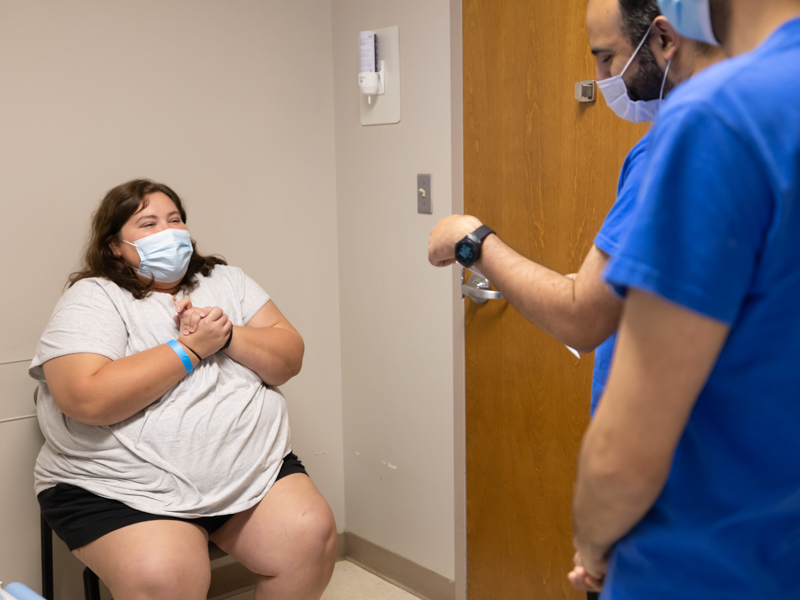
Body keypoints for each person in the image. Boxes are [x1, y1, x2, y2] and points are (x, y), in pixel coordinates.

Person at [569, 0, 800, 597]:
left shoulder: (723, 118)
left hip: (706, 571)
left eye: (604, 58)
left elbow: (624, 456)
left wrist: (593, 552)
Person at [30, 180, 337, 600]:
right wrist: (190, 348)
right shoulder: (94, 297)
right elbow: (85, 398)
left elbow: (288, 359)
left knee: (310, 535)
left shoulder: (227, 280)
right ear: (115, 245)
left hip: (248, 473)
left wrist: (225, 335)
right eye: (148, 223)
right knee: (166, 577)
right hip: (121, 489)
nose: (168, 231)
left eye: (175, 219)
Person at [429, 0, 722, 422]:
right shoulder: (741, 123)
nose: (600, 78)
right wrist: (606, 287)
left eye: (607, 58)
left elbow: (582, 319)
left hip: (664, 442)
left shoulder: (672, 147)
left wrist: (471, 239)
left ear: (663, 38)